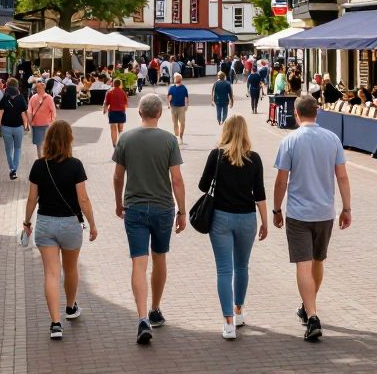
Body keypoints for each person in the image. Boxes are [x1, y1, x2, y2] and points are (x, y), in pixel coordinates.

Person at [272, 94, 351, 343]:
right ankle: (308, 306)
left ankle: (313, 315)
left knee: (303, 265)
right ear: (317, 113)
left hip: (298, 213)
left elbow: (281, 180)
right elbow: (342, 176)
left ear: (296, 114)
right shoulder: (332, 138)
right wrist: (347, 208)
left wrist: (276, 210)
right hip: (325, 212)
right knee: (318, 261)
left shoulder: (290, 140)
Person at [112, 93, 186, 345]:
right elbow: (176, 179)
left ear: (139, 113)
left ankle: (142, 317)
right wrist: (182, 210)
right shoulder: (169, 140)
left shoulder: (126, 139)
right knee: (159, 257)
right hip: (163, 207)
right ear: (160, 113)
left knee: (138, 263)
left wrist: (118, 203)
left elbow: (117, 176)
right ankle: (155, 308)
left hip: (134, 207)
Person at [23, 120, 98, 341]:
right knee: (71, 268)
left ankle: (55, 323)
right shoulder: (75, 165)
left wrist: (27, 222)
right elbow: (83, 199)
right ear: (69, 140)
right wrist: (92, 224)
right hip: (70, 223)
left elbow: (31, 198)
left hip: (45, 223)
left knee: (51, 273)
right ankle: (70, 307)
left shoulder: (39, 165)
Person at [198, 115, 268, 340]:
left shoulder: (216, 155)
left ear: (225, 131)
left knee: (224, 270)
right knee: (242, 266)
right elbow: (259, 194)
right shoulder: (254, 159)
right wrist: (265, 221)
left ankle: (228, 323)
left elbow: (202, 185)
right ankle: (238, 310)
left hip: (220, 217)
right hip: (247, 217)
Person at [0, 77, 30, 180]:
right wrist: (26, 125)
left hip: (6, 127)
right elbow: (24, 114)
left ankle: (11, 168)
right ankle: (14, 169)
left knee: (8, 149)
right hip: (18, 127)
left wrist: (0, 125)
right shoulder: (20, 98)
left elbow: (0, 112)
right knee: (17, 148)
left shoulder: (4, 98)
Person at [28, 81, 57, 158]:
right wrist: (30, 122)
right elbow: (29, 111)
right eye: (36, 87)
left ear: (43, 88)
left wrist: (52, 121)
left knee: (47, 142)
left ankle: (46, 157)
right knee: (38, 144)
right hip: (36, 124)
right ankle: (40, 158)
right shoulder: (33, 98)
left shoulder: (49, 98)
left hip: (47, 124)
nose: (38, 89)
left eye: (39, 87)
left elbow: (53, 111)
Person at [103, 78, 129, 148]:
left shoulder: (109, 92)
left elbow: (106, 102)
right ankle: (120, 143)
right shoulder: (123, 92)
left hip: (112, 112)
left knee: (113, 128)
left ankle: (114, 144)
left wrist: (104, 110)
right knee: (120, 128)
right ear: (120, 84)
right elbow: (126, 104)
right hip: (121, 111)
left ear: (113, 84)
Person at [167, 73, 189, 145]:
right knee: (175, 123)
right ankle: (177, 136)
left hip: (180, 107)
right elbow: (170, 97)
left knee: (181, 123)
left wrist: (186, 105)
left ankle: (180, 136)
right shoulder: (172, 88)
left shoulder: (183, 88)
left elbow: (186, 97)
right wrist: (169, 104)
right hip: (174, 107)